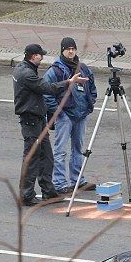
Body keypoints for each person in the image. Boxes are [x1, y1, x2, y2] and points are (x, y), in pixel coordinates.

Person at [12, 43, 88, 207]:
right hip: (31, 121)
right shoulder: (27, 74)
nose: (43, 57)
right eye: (40, 55)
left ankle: (48, 191)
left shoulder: (22, 68)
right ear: (33, 56)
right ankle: (26, 195)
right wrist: (69, 82)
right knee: (32, 158)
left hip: (38, 120)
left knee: (46, 156)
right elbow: (48, 88)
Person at [44, 37, 97, 194]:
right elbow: (47, 92)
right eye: (68, 49)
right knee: (60, 150)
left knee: (78, 148)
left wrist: (90, 102)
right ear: (62, 50)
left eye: (73, 49)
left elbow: (91, 85)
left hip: (81, 114)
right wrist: (59, 112)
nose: (71, 51)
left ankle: (77, 180)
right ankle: (59, 183)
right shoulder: (55, 71)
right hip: (65, 116)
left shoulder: (83, 68)